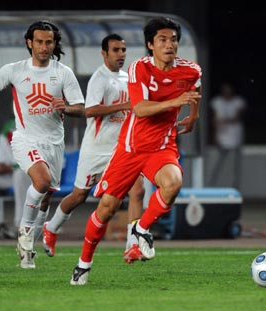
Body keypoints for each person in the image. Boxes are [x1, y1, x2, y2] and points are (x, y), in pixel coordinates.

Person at [70, 16, 202, 285]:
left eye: (174, 40)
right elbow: (140, 108)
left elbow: (195, 88)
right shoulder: (139, 68)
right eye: (163, 40)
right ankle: (83, 265)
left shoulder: (190, 70)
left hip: (161, 148)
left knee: (173, 183)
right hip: (130, 148)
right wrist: (177, 101)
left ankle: (141, 229)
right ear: (151, 45)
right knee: (107, 208)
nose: (169, 45)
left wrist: (193, 116)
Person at [0, 20, 85, 269]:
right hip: (24, 139)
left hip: (54, 142)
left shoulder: (63, 72)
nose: (44, 46)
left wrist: (68, 108)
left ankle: (30, 243)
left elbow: (81, 108)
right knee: (40, 182)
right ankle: (25, 236)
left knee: (44, 198)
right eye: (39, 41)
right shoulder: (14, 70)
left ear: (54, 44)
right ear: (29, 43)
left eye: (48, 42)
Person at [42, 33, 145, 262]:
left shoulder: (128, 78)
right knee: (79, 195)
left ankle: (133, 244)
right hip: (96, 149)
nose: (121, 55)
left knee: (137, 191)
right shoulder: (99, 79)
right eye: (116, 50)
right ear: (104, 53)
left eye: (123, 50)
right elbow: (90, 110)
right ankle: (52, 227)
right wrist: (125, 105)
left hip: (122, 149)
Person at [208, 81, 246, 188]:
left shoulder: (238, 101)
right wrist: (214, 136)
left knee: (234, 167)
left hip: (235, 138)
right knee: (216, 166)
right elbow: (214, 121)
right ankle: (212, 188)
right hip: (221, 138)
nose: (226, 91)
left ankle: (235, 188)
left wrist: (223, 121)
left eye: (228, 89)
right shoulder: (217, 102)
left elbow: (236, 117)